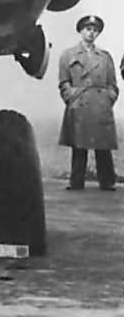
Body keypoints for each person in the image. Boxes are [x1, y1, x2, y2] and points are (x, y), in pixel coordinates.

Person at [57, 15, 119, 191]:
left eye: (95, 30)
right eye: (88, 29)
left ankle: (107, 182)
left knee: (103, 147)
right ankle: (76, 182)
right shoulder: (68, 55)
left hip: (101, 105)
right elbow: (63, 82)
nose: (91, 33)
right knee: (79, 145)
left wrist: (108, 98)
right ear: (81, 31)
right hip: (80, 103)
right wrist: (72, 97)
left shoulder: (105, 57)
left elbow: (112, 84)